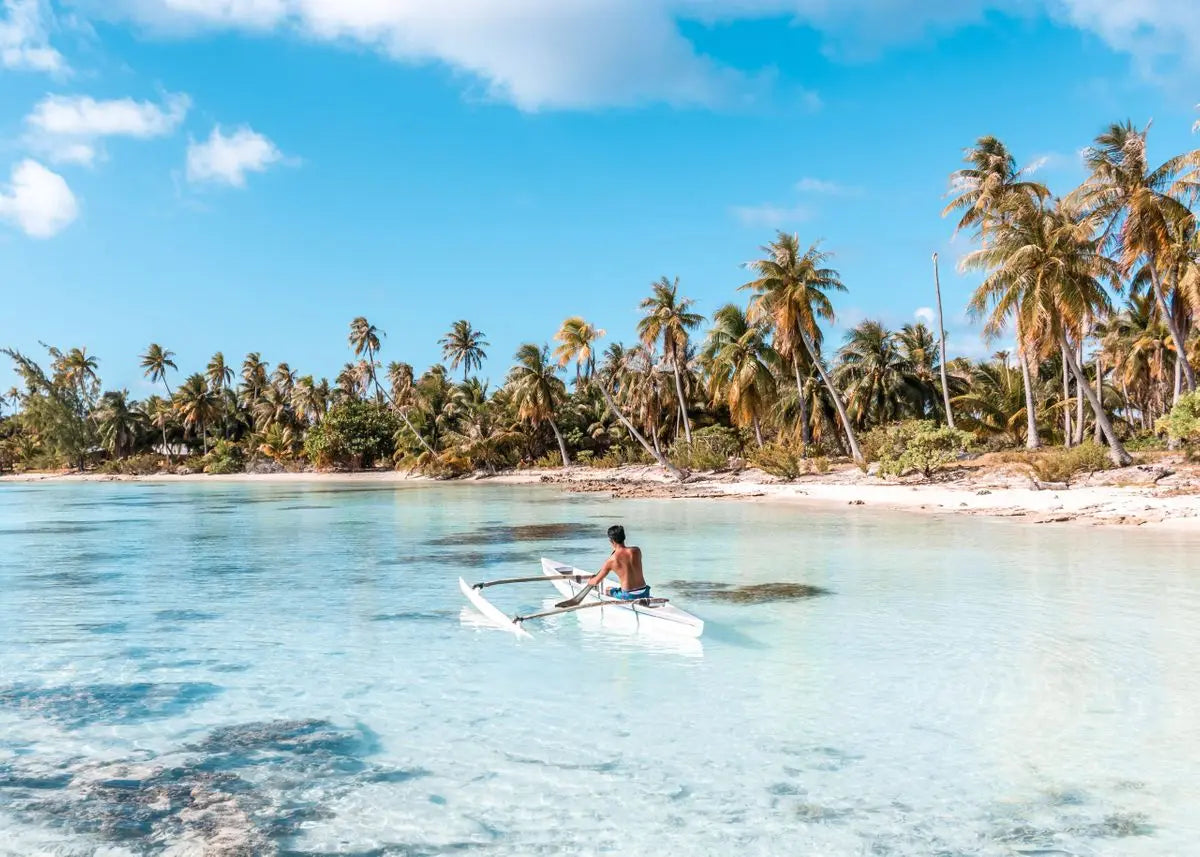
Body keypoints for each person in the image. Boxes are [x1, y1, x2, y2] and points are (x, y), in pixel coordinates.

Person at [588, 524, 650, 601]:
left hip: (628, 595)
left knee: (608, 590)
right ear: (624, 537)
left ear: (611, 541)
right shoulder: (636, 551)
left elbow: (596, 581)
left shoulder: (610, 561)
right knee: (615, 589)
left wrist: (590, 581)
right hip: (645, 592)